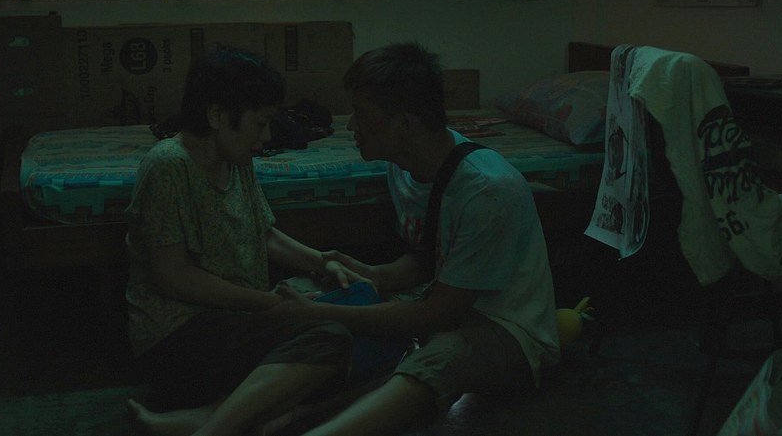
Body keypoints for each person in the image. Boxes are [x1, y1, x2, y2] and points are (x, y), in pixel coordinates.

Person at [267, 42, 561, 435]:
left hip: (506, 330)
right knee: (306, 291)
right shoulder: (405, 167)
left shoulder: (487, 191)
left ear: (405, 125)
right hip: (436, 300)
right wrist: (376, 275)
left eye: (361, 114)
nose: (350, 126)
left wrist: (322, 313)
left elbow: (442, 314)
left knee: (441, 356)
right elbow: (429, 256)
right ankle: (270, 413)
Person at [123, 45, 367, 436]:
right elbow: (173, 276)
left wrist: (323, 262)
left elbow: (263, 233)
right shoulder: (169, 165)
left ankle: (210, 416)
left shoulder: (236, 159)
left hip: (237, 322)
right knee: (331, 337)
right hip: (178, 338)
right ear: (216, 116)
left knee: (364, 329)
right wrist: (270, 304)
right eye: (260, 123)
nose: (267, 136)